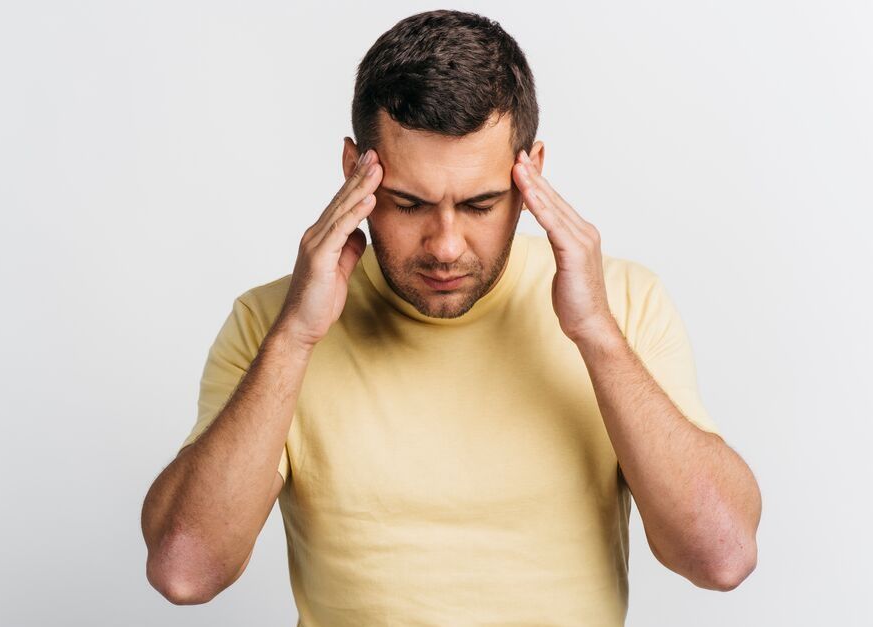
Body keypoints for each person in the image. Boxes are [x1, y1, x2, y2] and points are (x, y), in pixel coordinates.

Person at [141, 9, 762, 625]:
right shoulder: (271, 322)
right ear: (355, 173)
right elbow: (185, 571)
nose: (444, 246)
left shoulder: (623, 303)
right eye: (408, 203)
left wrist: (596, 333)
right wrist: (295, 339)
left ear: (532, 174)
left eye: (480, 204)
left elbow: (722, 556)